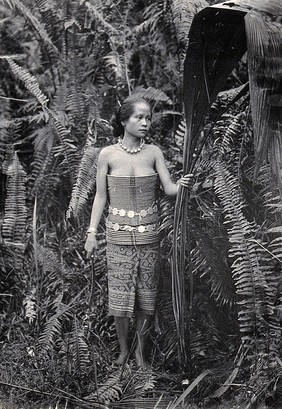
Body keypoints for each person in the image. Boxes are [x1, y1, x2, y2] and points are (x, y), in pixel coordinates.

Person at [84, 96, 193, 367]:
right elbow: (100, 197)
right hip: (117, 236)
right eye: (139, 117)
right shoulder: (107, 154)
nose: (145, 122)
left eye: (148, 117)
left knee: (147, 296)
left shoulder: (154, 152)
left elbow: (169, 189)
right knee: (120, 296)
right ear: (123, 120)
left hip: (149, 236)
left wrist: (185, 184)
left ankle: (140, 352)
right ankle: (123, 350)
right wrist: (91, 232)